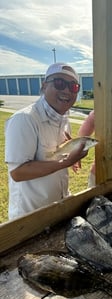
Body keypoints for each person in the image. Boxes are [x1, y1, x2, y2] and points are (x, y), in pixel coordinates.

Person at [5, 62, 88, 220]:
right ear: (44, 86)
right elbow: (17, 172)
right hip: (30, 217)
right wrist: (66, 162)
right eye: (59, 83)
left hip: (57, 207)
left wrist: (70, 154)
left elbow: (52, 156)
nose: (66, 90)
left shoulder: (64, 120)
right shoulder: (24, 119)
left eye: (73, 86)